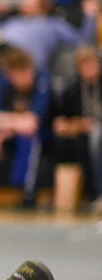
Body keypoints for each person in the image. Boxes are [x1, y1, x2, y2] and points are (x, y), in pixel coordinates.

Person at [0, 0, 100, 111]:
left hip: (25, 63)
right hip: (2, 57)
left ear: (42, 5)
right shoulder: (14, 21)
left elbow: (81, 40)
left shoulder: (52, 24)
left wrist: (89, 15)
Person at [0, 47, 53, 208]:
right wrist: (6, 129)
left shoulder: (42, 80)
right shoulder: (3, 82)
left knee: (28, 136)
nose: (21, 78)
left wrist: (6, 126)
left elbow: (32, 123)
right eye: (16, 74)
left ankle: (27, 190)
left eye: (24, 72)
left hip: (42, 135)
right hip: (9, 132)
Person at [52, 46, 102, 212]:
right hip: (82, 133)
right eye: (85, 65)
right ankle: (93, 193)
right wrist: (79, 124)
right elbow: (60, 121)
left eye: (92, 64)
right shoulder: (72, 89)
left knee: (96, 137)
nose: (90, 69)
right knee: (86, 140)